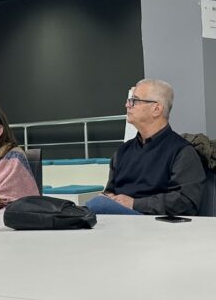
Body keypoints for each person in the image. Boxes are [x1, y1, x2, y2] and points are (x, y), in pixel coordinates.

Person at [85, 79, 204, 216]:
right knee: (78, 209)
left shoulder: (182, 152)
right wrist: (107, 197)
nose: (127, 105)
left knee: (96, 206)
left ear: (156, 109)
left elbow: (186, 202)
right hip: (119, 221)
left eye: (134, 101)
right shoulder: (122, 151)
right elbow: (110, 191)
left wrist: (134, 203)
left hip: (155, 221)